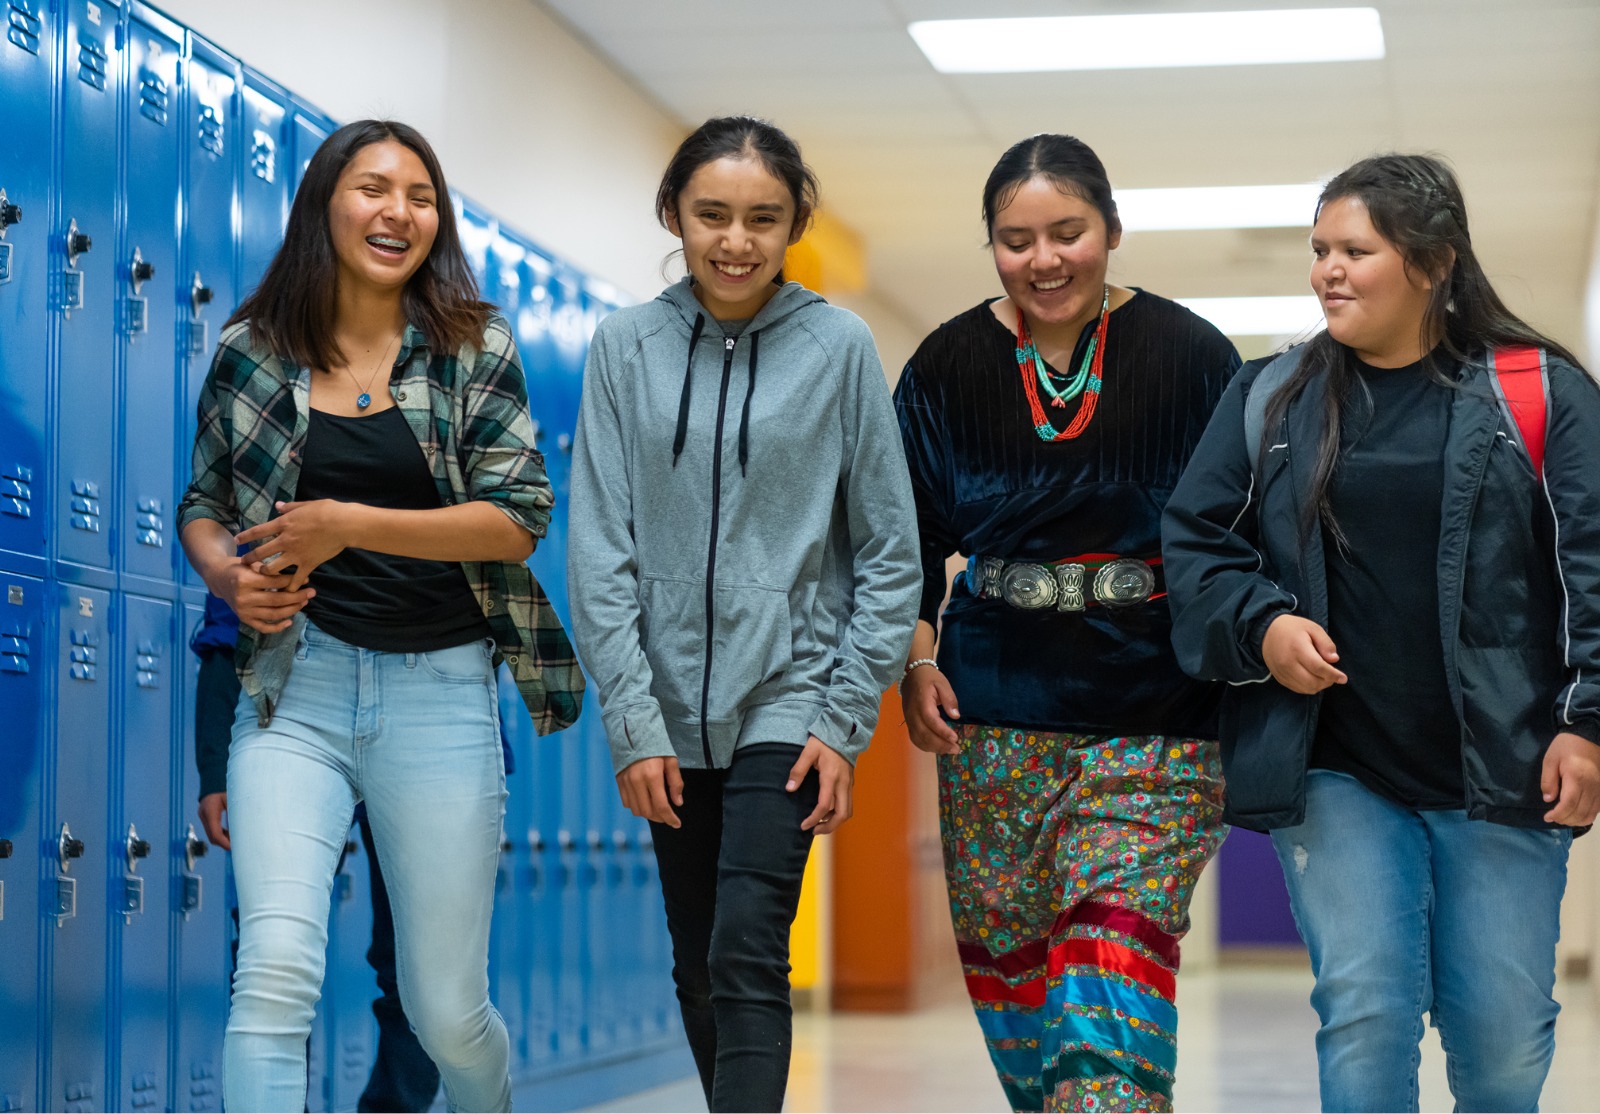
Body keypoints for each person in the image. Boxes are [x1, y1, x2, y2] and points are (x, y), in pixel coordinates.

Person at [1161, 153, 1600, 1112]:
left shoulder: (1539, 392)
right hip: (1336, 763)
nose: (1327, 270)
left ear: (1433, 263)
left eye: (1355, 251)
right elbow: (1195, 545)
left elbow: (1592, 565)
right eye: (1319, 249)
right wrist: (1263, 626)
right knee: (1364, 1011)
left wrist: (1587, 721)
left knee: (1502, 1040)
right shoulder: (1271, 395)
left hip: (1504, 762)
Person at [177, 118, 582, 1113]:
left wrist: (346, 524)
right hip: (293, 691)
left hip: (438, 695)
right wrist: (226, 574)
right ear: (324, 203)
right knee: (274, 972)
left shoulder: (471, 346)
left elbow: (517, 520)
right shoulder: (251, 350)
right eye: (373, 188)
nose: (399, 211)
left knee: (445, 1010)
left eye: (420, 195)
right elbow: (204, 502)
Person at [566, 115, 920, 1113]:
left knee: (746, 945)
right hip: (666, 706)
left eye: (763, 218)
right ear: (673, 214)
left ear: (794, 224)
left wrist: (841, 720)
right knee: (698, 961)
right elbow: (598, 550)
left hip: (791, 693)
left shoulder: (839, 347)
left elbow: (890, 549)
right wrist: (632, 720)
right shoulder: (625, 347)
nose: (736, 240)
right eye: (712, 214)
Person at [894, 133, 1238, 1113]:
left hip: (1157, 718)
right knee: (1021, 1003)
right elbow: (901, 536)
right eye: (1016, 240)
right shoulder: (946, 365)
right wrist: (916, 658)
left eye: (1068, 232)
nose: (1043, 259)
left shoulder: (1193, 356)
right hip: (993, 722)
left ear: (1112, 230)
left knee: (1106, 973)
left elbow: (1241, 530)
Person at [193, 591, 458, 1112]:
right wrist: (213, 763)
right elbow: (231, 623)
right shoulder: (278, 535)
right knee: (272, 957)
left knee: (422, 964)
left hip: (421, 730)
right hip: (293, 725)